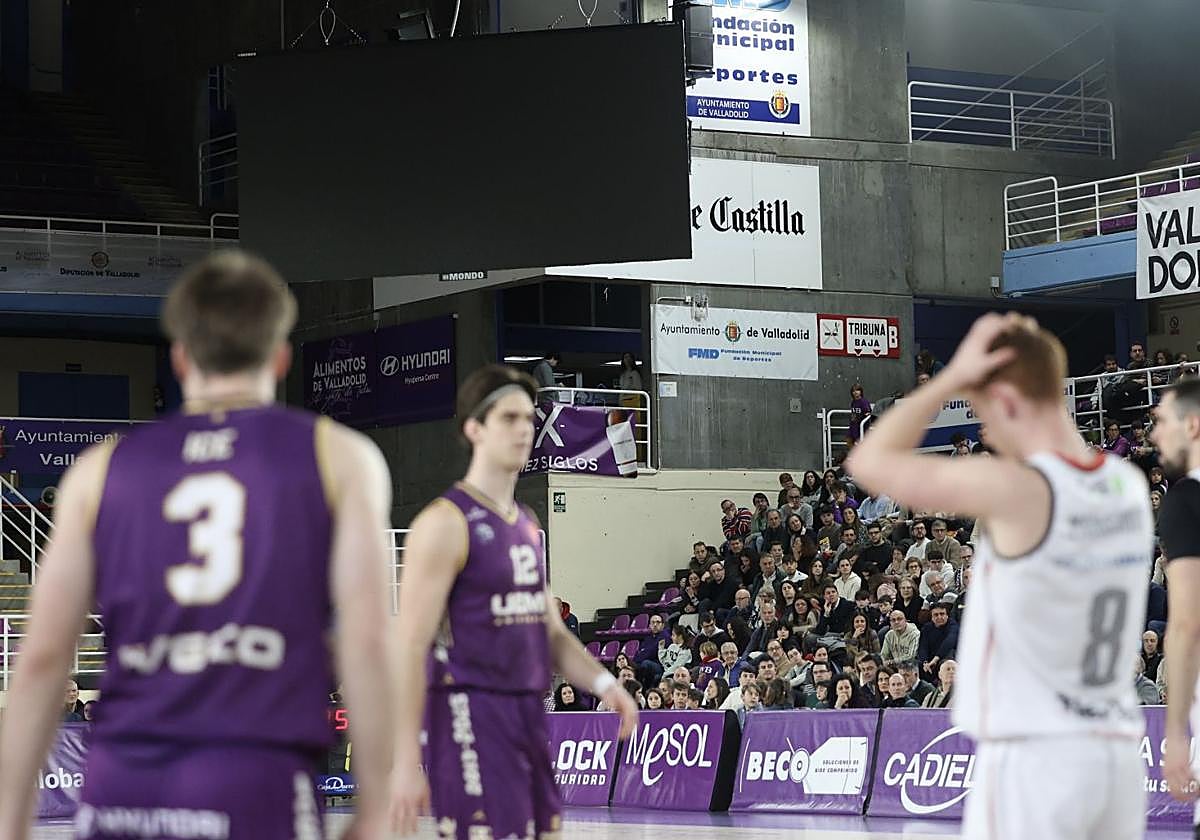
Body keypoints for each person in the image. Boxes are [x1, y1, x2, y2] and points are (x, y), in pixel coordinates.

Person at [0, 252, 398, 840]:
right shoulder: (338, 456)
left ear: (181, 358)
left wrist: (10, 820)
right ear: (280, 356)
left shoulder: (99, 469)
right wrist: (377, 805)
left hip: (126, 785)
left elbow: (41, 659)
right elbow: (367, 643)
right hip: (254, 776)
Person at [848, 312, 1153, 840]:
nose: (985, 432)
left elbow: (868, 462)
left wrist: (949, 377)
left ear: (1011, 400)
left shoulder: (1021, 488)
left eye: (986, 413)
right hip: (1114, 745)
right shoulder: (1125, 485)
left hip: (1035, 750)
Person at [390, 364, 638, 839]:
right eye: (509, 418)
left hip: (528, 716)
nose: (524, 429)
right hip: (471, 716)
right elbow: (409, 646)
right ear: (475, 429)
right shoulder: (444, 523)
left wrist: (606, 684)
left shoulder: (525, 523)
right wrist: (403, 761)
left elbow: (550, 632)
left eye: (528, 418)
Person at [1151, 381, 1200, 810]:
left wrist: (1175, 734)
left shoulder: (1185, 500)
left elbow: (1186, 623)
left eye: (1162, 422)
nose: (1154, 435)